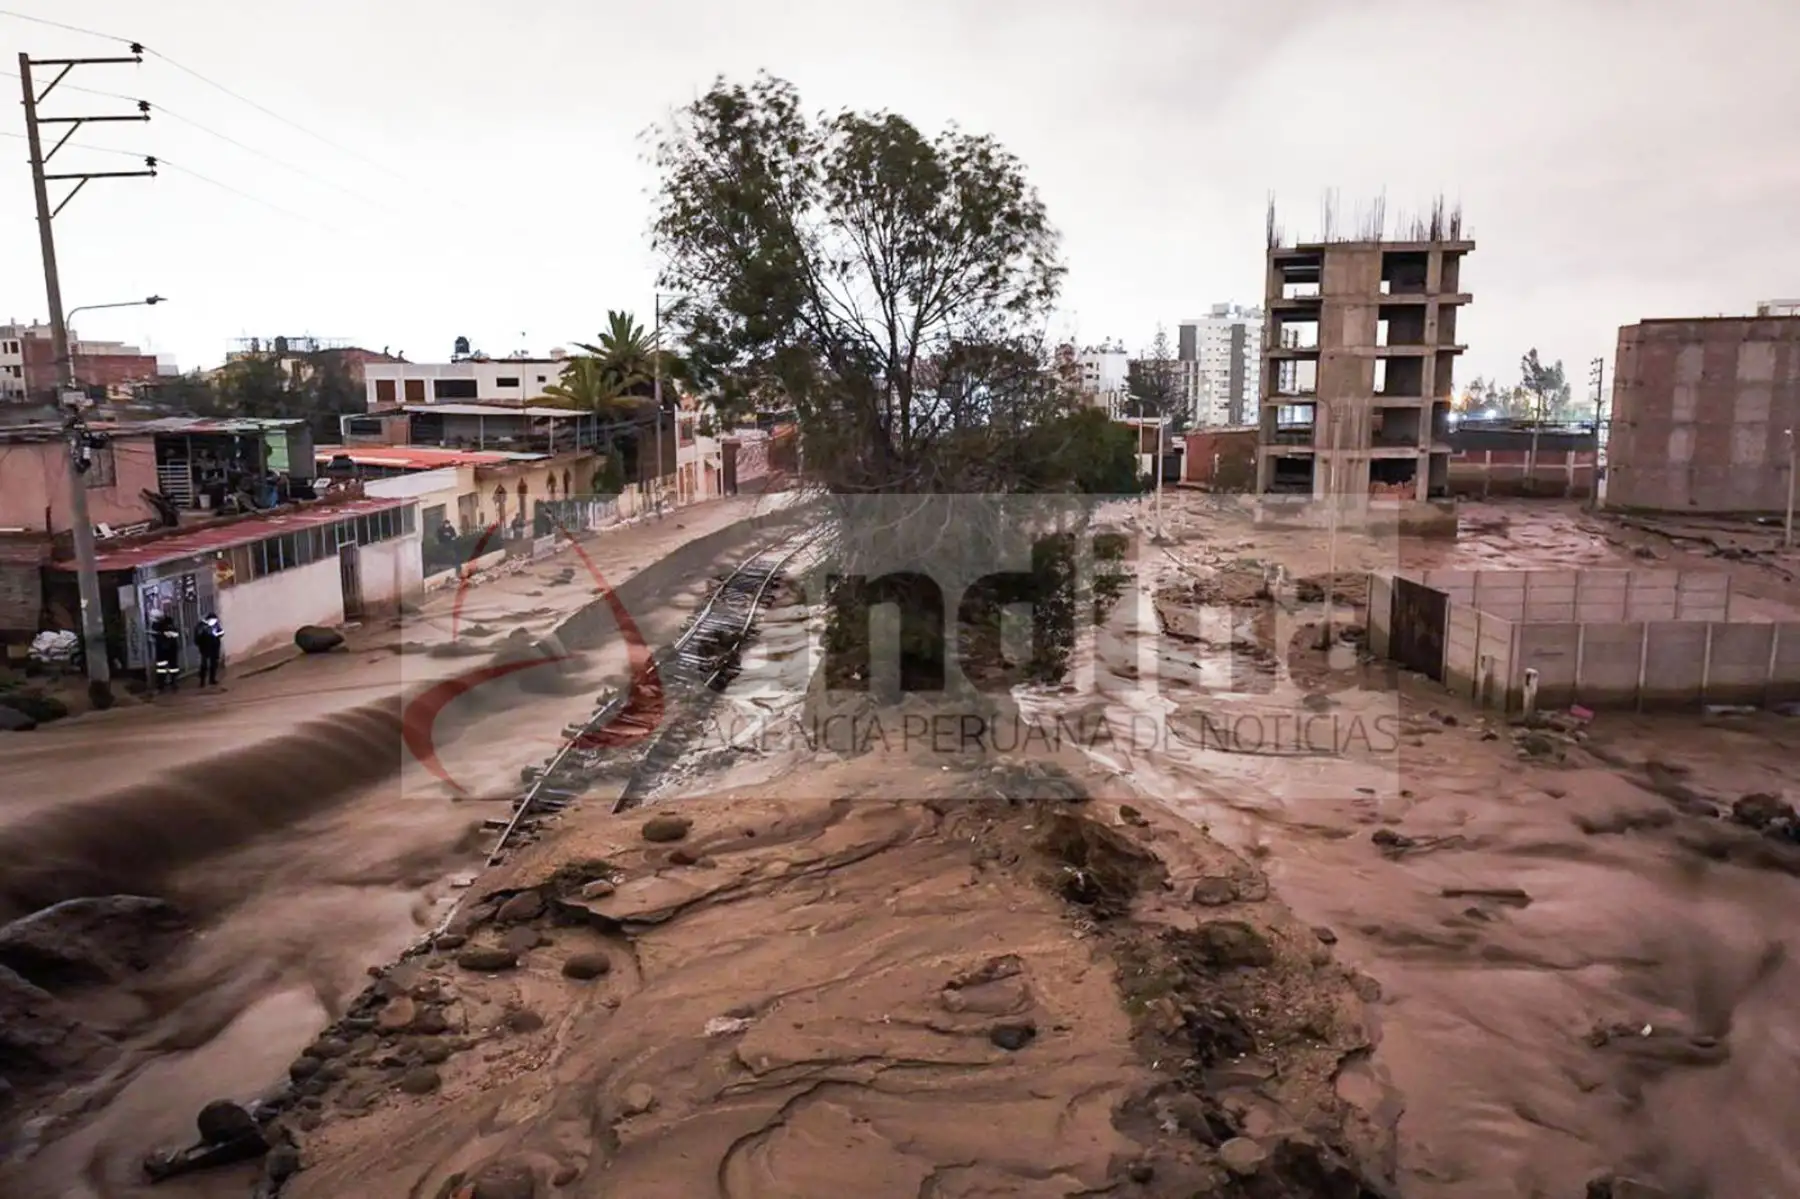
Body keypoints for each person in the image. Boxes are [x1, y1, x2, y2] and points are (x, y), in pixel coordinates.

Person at [150, 608, 183, 693]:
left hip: (170, 648)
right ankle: (161, 685)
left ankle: (173, 683)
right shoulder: (155, 625)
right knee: (161, 668)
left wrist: (168, 634)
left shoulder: (169, 623)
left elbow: (176, 633)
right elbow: (154, 635)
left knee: (173, 667)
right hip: (161, 649)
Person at [193, 613, 224, 687]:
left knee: (214, 663)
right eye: (213, 620)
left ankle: (212, 679)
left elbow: (221, 632)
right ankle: (202, 681)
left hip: (215, 646)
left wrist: (217, 634)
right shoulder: (201, 626)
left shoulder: (215, 625)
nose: (215, 621)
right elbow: (197, 637)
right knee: (204, 665)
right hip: (205, 647)